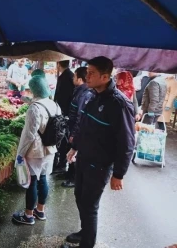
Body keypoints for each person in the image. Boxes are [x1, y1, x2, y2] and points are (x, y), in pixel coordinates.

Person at [61, 56, 135, 248]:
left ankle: (87, 244)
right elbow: (83, 124)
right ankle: (85, 232)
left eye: (92, 73)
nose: (87, 75)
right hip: (84, 158)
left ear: (105, 77)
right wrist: (74, 146)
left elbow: (127, 142)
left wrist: (118, 174)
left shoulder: (119, 104)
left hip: (100, 165)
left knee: (89, 206)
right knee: (79, 197)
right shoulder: (91, 95)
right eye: (87, 71)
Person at [12, 76, 60, 225]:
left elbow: (29, 134)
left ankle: (28, 216)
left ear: (33, 90)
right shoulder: (55, 104)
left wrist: (20, 153)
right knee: (44, 179)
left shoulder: (35, 108)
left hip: (36, 151)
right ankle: (40, 210)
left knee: (32, 181)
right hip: (50, 148)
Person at [62, 66, 91, 188]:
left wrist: (74, 134)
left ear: (79, 79)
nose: (72, 78)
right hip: (71, 127)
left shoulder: (84, 94)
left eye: (74, 76)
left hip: (75, 130)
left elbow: (80, 117)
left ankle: (73, 179)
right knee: (70, 152)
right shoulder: (79, 90)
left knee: (74, 154)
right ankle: (69, 174)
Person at [53, 60, 75, 174]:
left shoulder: (65, 77)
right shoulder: (70, 75)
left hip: (64, 114)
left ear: (58, 64)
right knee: (64, 140)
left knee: (63, 140)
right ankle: (61, 163)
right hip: (67, 113)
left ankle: (61, 164)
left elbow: (61, 97)